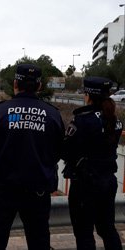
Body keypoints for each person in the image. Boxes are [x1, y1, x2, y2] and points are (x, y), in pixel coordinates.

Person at [0, 64, 65, 249]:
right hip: (38, 190)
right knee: (39, 240)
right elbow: (58, 151)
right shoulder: (52, 114)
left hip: (3, 190)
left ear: (15, 83)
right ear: (39, 86)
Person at [62, 76, 123, 249]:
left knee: (84, 233)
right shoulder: (115, 120)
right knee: (107, 229)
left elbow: (66, 150)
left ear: (88, 95)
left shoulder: (82, 121)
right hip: (108, 182)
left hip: (85, 185)